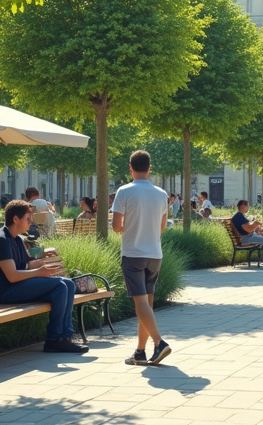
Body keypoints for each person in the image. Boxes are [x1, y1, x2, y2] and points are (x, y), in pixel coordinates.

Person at [0, 200, 87, 354]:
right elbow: (12, 276)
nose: (30, 222)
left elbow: (25, 264)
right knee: (59, 285)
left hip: (18, 286)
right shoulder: (1, 241)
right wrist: (39, 272)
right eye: (28, 219)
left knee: (68, 284)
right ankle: (55, 338)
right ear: (16, 219)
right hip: (6, 291)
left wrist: (42, 261)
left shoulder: (16, 238)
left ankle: (62, 337)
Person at [112, 150, 172, 366]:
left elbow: (117, 226)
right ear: (150, 168)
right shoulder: (161, 194)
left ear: (130, 167)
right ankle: (139, 351)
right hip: (155, 254)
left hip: (133, 253)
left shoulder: (124, 191)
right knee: (146, 304)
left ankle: (159, 343)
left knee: (140, 304)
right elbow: (162, 227)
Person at [231, 200, 263, 270]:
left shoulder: (240, 216)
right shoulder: (238, 216)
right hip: (246, 238)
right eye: (247, 206)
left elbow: (247, 227)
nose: (248, 208)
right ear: (242, 205)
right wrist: (255, 224)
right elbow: (247, 229)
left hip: (249, 236)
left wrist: (256, 226)